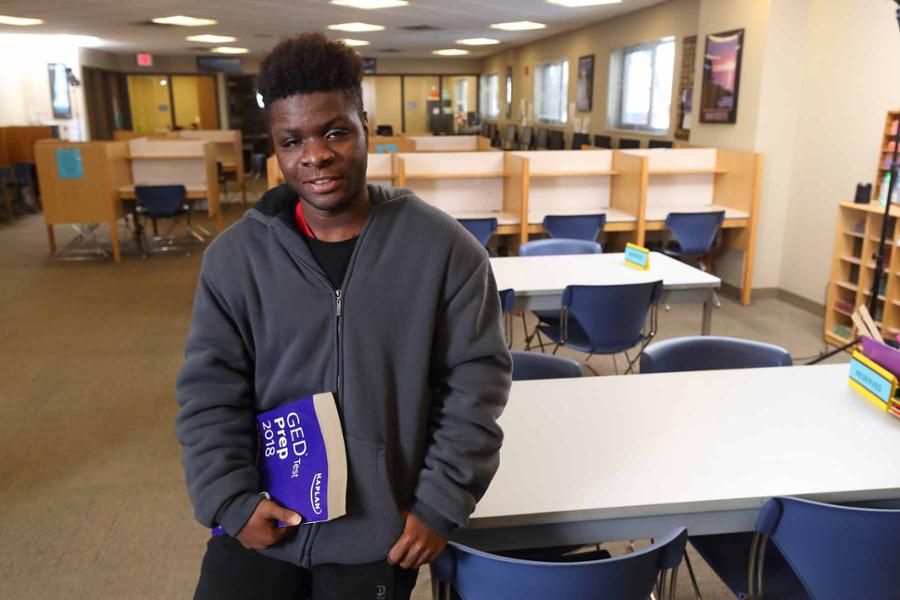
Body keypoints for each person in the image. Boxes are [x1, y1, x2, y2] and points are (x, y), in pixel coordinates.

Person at [176, 33, 511, 599]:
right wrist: (230, 500)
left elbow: (476, 385)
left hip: (379, 532)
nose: (315, 156)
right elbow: (210, 392)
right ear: (275, 149)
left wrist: (438, 505)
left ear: (365, 128)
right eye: (292, 140)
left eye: (334, 132)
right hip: (261, 517)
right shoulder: (235, 259)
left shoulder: (444, 250)